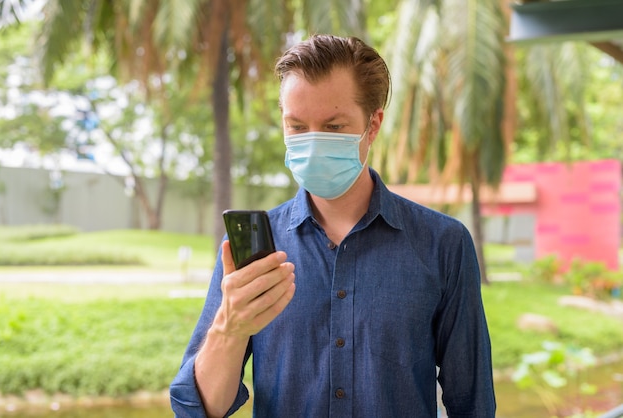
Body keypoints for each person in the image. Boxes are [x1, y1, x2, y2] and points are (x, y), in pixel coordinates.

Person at [170, 34, 496, 418]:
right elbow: (198, 409)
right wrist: (229, 328)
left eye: (333, 126)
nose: (312, 141)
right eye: (297, 126)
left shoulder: (443, 243)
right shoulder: (252, 247)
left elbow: (472, 403)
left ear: (372, 126)